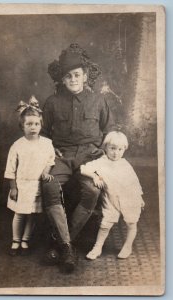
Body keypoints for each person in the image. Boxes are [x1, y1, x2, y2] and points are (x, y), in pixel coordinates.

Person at [41, 43, 115, 272]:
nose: (72, 79)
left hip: (90, 157)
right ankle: (68, 246)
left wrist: (104, 155)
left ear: (85, 77)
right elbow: (43, 134)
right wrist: (50, 151)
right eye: (68, 76)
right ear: (61, 80)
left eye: (77, 75)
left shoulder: (99, 101)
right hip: (61, 156)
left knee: (92, 190)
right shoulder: (52, 102)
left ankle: (63, 244)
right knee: (49, 187)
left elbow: (110, 131)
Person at [80, 131, 145, 260]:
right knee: (106, 223)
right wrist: (95, 176)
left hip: (129, 197)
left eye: (120, 149)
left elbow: (134, 183)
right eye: (113, 148)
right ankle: (97, 247)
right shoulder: (101, 162)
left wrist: (140, 197)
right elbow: (83, 168)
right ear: (106, 147)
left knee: (131, 222)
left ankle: (127, 246)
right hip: (111, 198)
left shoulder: (125, 165)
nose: (116, 153)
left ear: (124, 150)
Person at [4, 96, 55, 256]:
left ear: (41, 125)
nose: (33, 127)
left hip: (37, 184)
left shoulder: (47, 143)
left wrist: (46, 171)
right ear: (22, 126)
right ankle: (16, 240)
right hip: (22, 185)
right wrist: (13, 187)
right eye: (29, 124)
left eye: (36, 124)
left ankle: (25, 239)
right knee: (20, 214)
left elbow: (50, 159)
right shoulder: (18, 145)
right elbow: (10, 169)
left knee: (32, 214)